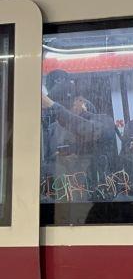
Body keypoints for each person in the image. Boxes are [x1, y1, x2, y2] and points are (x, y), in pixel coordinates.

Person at [41, 73, 120, 202]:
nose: (65, 110)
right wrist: (57, 160)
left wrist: (55, 107)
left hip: (95, 195)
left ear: (81, 100)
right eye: (61, 105)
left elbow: (90, 130)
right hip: (63, 196)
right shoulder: (53, 129)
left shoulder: (104, 120)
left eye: (68, 105)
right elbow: (45, 164)